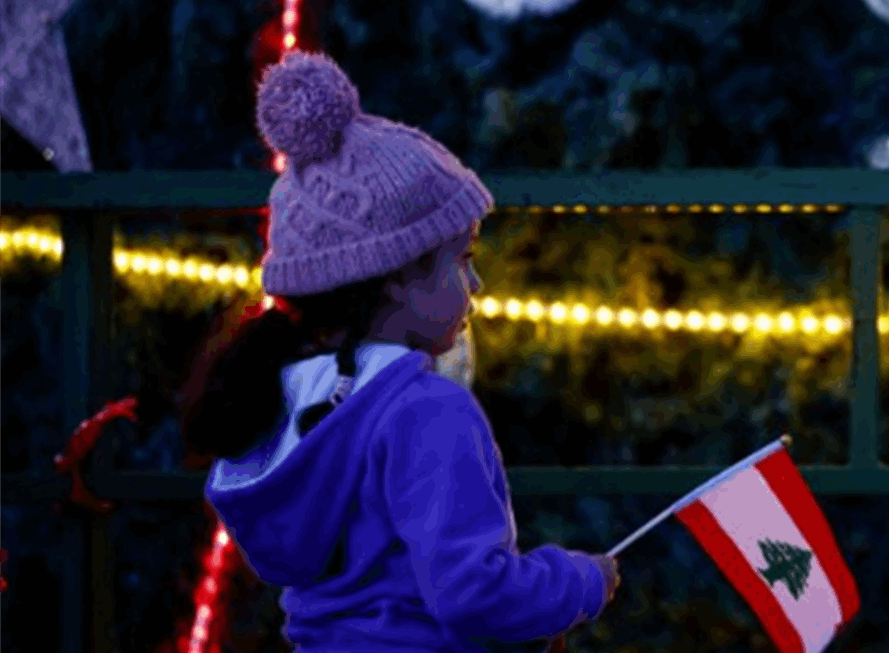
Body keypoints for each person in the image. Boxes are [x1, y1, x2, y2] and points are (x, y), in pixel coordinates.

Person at [179, 51, 618, 652]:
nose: (477, 285)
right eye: (462, 260)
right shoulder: (426, 411)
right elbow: (473, 595)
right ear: (395, 275)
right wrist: (581, 581)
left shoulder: (283, 400)